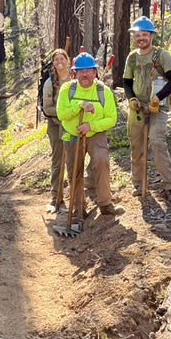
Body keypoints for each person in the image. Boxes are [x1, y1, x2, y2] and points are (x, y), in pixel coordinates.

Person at [123, 16, 171, 202]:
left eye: (144, 34)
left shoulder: (162, 55)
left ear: (151, 36)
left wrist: (158, 98)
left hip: (158, 107)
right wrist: (132, 98)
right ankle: (138, 183)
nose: (141, 38)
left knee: (157, 141)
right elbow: (127, 82)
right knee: (136, 146)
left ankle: (170, 185)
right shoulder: (132, 58)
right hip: (138, 108)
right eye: (137, 35)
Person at [55, 52, 123, 216]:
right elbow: (61, 114)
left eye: (88, 71)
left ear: (94, 72)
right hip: (73, 134)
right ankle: (79, 207)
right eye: (80, 71)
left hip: (95, 134)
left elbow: (111, 119)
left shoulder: (103, 91)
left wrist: (90, 126)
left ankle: (105, 203)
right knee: (75, 170)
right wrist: (79, 105)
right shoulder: (67, 89)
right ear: (74, 73)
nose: (84, 74)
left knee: (101, 160)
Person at [41, 49, 73, 213]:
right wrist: (66, 112)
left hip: (74, 125)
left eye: (62, 58)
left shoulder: (75, 79)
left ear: (68, 60)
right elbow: (47, 108)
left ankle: (76, 197)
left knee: (74, 161)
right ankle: (56, 197)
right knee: (58, 161)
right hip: (55, 124)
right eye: (56, 60)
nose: (59, 62)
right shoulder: (50, 83)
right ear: (53, 63)